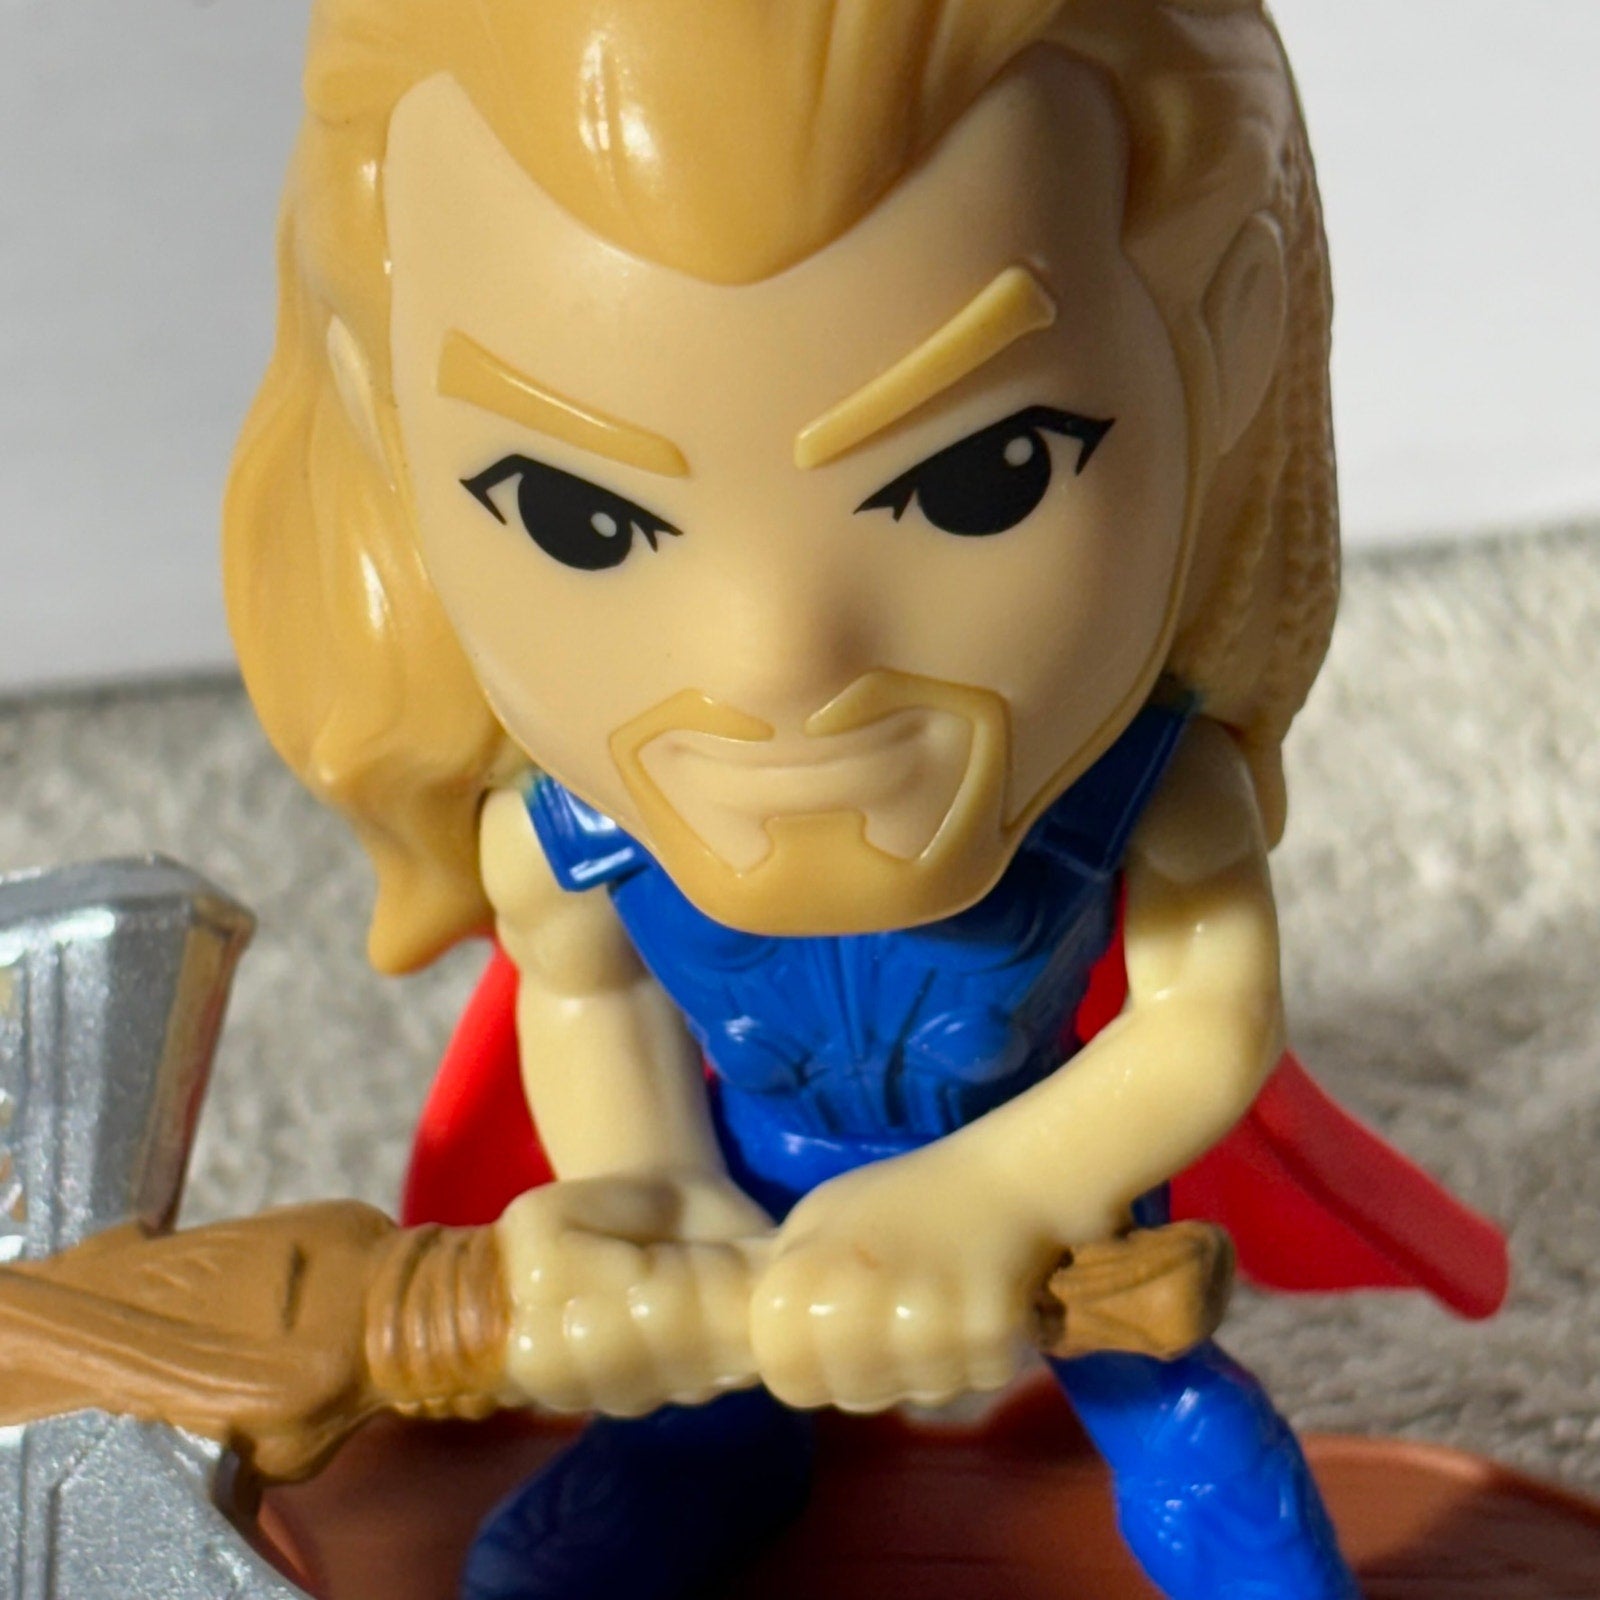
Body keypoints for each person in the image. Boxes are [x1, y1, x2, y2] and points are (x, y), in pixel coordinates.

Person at [224, 3, 1365, 1594]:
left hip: (1060, 1191)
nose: (777, 662)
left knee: (1184, 1431)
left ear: (1223, 343)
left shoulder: (1147, 795)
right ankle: (707, 1449)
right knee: (684, 1423)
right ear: (385, 405)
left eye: (982, 478)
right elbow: (585, 995)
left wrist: (997, 1199)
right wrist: (647, 1190)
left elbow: (1206, 1024)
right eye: (576, 516)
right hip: (745, 1179)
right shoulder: (565, 837)